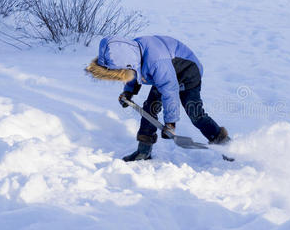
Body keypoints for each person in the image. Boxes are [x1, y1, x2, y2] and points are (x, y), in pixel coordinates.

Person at [85, 35, 230, 161]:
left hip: (188, 72)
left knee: (195, 113)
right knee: (149, 109)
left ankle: (226, 145)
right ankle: (144, 151)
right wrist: (129, 92)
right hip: (167, 74)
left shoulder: (156, 62)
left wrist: (170, 123)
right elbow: (131, 73)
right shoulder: (133, 54)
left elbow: (170, 90)